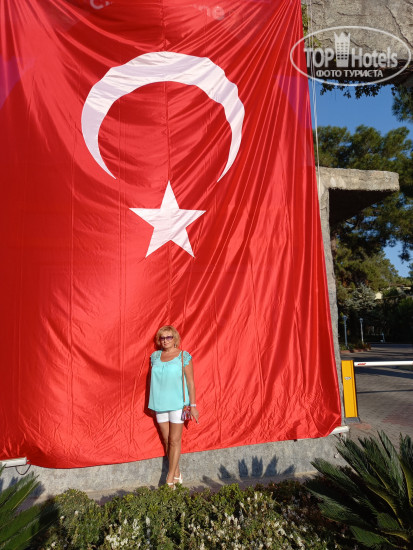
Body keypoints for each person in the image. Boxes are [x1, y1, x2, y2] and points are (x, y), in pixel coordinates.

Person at [148, 325, 199, 487]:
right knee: (166, 440)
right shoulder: (155, 357)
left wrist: (193, 405)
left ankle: (169, 478)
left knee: (174, 440)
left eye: (169, 337)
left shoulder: (183, 356)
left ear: (175, 338)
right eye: (162, 338)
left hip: (178, 404)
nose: (165, 340)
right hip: (159, 404)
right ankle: (176, 472)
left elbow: (190, 382)